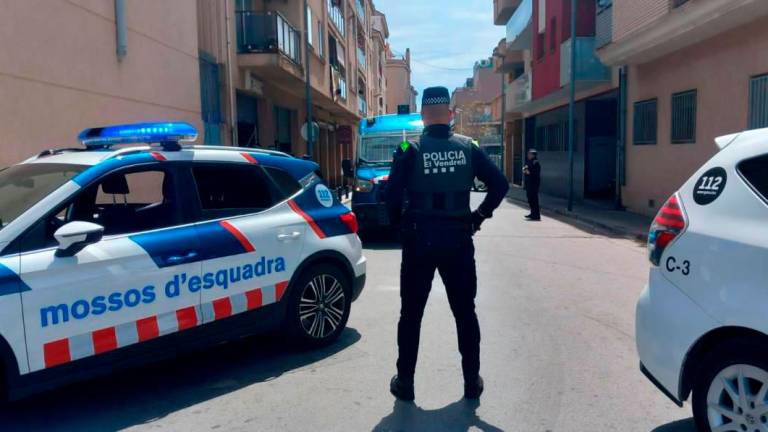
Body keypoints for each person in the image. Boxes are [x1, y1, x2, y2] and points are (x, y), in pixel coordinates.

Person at [385, 86, 509, 401]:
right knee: (465, 312)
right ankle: (471, 382)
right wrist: (478, 216)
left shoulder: (408, 148)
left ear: (424, 114)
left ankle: (406, 382)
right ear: (450, 114)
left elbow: (390, 196)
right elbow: (500, 184)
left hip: (419, 239)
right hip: (458, 239)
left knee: (411, 314)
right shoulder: (469, 147)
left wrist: (399, 226)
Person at [523, 149, 541, 221]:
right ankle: (532, 213)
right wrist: (524, 170)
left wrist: (528, 172)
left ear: (533, 155)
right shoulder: (529, 162)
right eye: (528, 154)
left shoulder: (535, 162)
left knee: (534, 199)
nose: (528, 155)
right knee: (530, 199)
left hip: (533, 184)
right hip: (529, 183)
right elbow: (525, 168)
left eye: (530, 154)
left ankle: (536, 215)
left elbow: (535, 173)